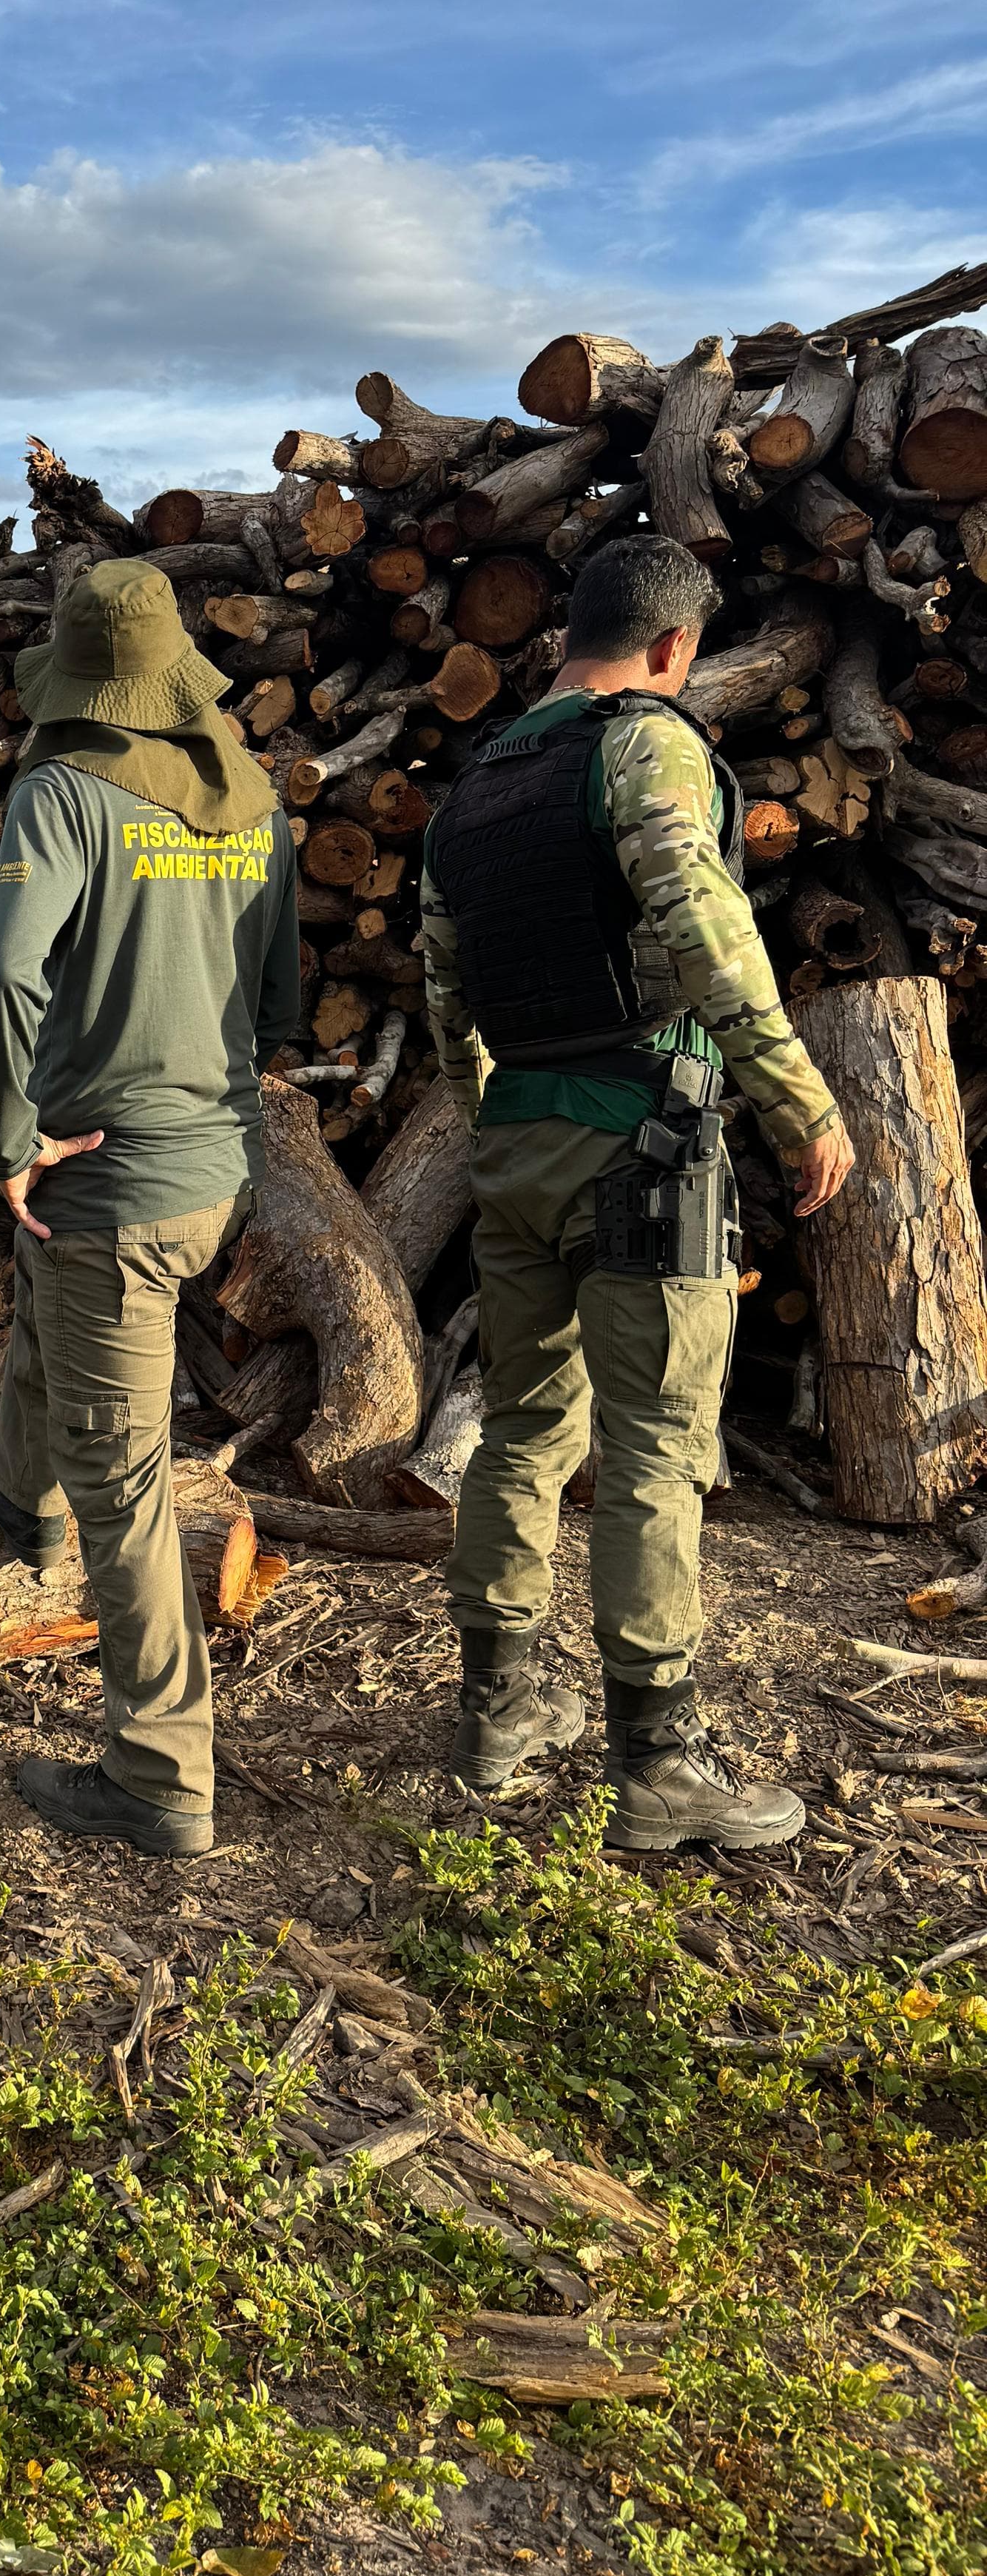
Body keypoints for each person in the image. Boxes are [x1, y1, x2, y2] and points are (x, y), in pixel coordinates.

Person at [420, 531, 855, 1853]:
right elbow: (703, 924)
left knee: (520, 1431)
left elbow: (446, 987)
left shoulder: (473, 788)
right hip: (645, 1144)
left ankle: (496, 1715)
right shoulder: (648, 748)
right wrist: (796, 1097)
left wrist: (494, 1118)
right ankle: (660, 1768)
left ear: (571, 636)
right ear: (673, 646)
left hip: (516, 1139)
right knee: (658, 1450)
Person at [0, 555, 301, 1860]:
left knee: (129, 1474)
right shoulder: (251, 795)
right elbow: (278, 999)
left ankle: (160, 1774)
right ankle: (22, 1492)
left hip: (115, 1179)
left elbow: (3, 977)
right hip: (215, 1167)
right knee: (55, 1290)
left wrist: (8, 1139)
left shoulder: (60, 793)